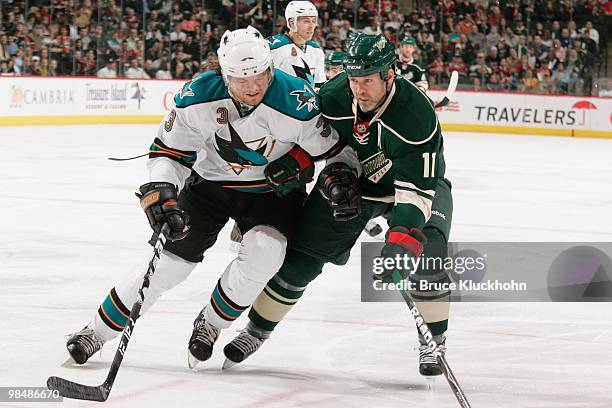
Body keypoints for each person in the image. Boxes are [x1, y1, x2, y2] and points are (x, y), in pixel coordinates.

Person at [64, 26, 349, 369]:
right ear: (224, 73)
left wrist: (319, 169)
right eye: (242, 79)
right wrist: (164, 191)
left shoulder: (297, 100)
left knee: (266, 252)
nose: (253, 86)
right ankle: (96, 331)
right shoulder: (198, 96)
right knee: (169, 264)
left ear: (270, 68)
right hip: (209, 187)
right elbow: (168, 150)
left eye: (260, 75)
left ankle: (211, 324)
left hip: (273, 193)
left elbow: (335, 151)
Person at [223, 33, 454, 377]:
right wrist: (308, 164)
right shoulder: (334, 97)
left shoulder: (416, 116)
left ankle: (434, 340)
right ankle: (256, 330)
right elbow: (320, 141)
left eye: (367, 81)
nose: (358, 89)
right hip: (358, 185)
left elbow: (416, 192)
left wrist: (402, 240)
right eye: (354, 80)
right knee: (303, 256)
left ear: (389, 74)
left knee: (429, 250)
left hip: (411, 187)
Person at [267, 1, 326, 88]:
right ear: (292, 22)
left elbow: (319, 86)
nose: (312, 26)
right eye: (306, 21)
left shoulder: (316, 50)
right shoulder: (272, 48)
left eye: (313, 21)